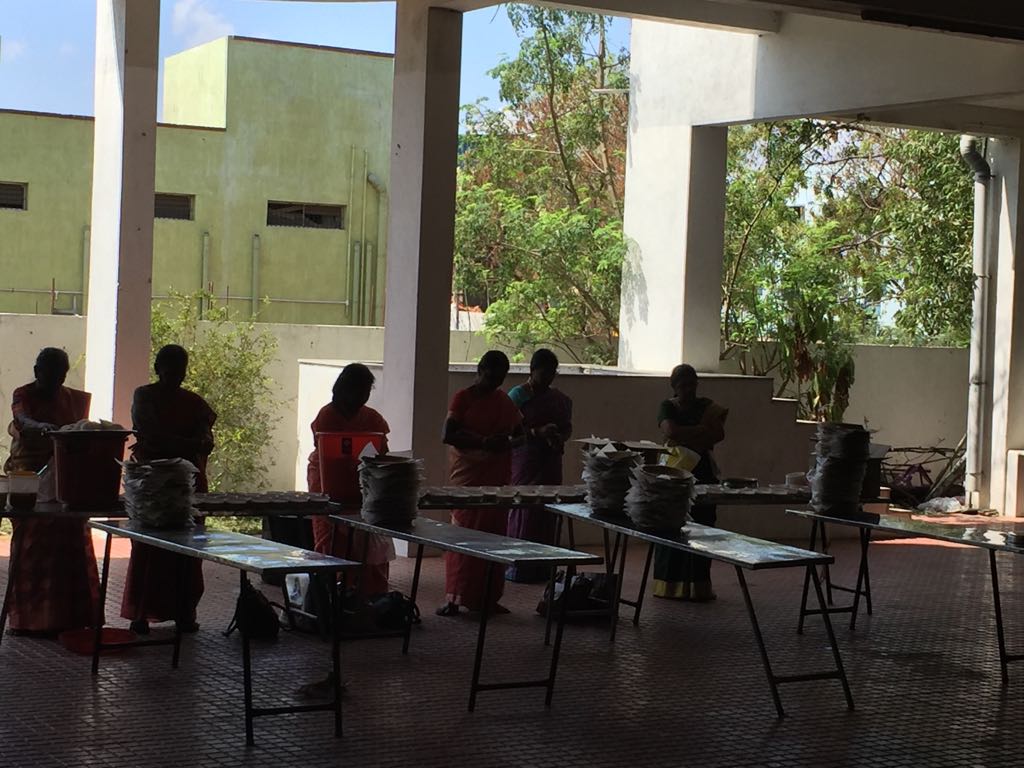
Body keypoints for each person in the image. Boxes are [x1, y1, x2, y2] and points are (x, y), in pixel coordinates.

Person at [121, 344, 216, 635]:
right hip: (152, 484)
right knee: (147, 547)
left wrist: (195, 443)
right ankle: (141, 613)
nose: (176, 375)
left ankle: (185, 612)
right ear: (157, 369)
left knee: (187, 550)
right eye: (170, 369)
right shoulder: (144, 396)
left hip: (187, 485)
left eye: (181, 370)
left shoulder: (195, 403)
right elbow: (151, 436)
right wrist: (190, 444)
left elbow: (207, 440)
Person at [4, 348, 98, 635]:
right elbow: (23, 420)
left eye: (61, 376)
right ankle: (29, 620)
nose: (56, 381)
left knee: (69, 539)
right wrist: (42, 427)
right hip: (28, 478)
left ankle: (70, 618)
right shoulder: (23, 395)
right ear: (37, 372)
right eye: (50, 375)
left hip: (64, 478)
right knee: (31, 543)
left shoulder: (74, 400)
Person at [437, 351, 523, 616]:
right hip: (469, 477)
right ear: (480, 370)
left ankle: (488, 597)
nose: (496, 382)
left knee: (494, 537)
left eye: (501, 377)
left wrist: (506, 443)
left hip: (496, 477)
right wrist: (484, 442)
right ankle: (455, 597)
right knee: (463, 536)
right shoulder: (464, 398)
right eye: (492, 375)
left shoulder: (504, 401)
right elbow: (448, 434)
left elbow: (520, 434)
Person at [306, 363, 393, 596]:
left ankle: (368, 594)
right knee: (330, 537)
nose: (362, 396)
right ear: (345, 389)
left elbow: (382, 452)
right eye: (358, 390)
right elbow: (327, 451)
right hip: (328, 485)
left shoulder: (373, 418)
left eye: (366, 391)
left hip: (362, 488)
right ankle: (331, 592)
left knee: (367, 541)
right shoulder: (327, 415)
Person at [652, 364, 727, 602]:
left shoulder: (707, 407)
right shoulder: (667, 406)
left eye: (692, 384)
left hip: (702, 472)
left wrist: (689, 433)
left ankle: (698, 585)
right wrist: (700, 431)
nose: (688, 390)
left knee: (703, 525)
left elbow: (718, 434)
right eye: (683, 385)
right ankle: (669, 586)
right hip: (675, 471)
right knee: (671, 524)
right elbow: (671, 431)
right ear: (674, 387)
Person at [505, 349, 572, 583]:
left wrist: (559, 437)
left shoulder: (560, 399)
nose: (548, 379)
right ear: (532, 370)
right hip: (526, 461)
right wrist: (536, 432)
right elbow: (508, 428)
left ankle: (544, 567)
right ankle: (518, 566)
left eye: (552, 374)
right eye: (544, 374)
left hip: (550, 461)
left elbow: (567, 427)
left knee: (548, 510)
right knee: (524, 509)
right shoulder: (518, 396)